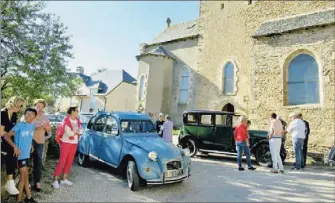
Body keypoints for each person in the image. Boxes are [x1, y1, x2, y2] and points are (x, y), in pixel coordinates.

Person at [3, 108, 38, 203]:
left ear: (34, 116)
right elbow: (6, 136)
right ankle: (19, 200)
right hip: (20, 156)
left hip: (27, 155)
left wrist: (30, 145)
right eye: (26, 114)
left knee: (26, 176)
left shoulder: (32, 126)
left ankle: (29, 197)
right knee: (23, 178)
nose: (28, 116)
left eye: (31, 114)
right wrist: (15, 147)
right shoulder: (19, 125)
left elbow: (28, 137)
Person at [52, 106, 82, 189]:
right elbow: (69, 133)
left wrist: (75, 132)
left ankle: (64, 179)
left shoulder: (77, 120)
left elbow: (81, 131)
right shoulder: (66, 120)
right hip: (66, 142)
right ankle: (55, 180)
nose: (77, 112)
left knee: (69, 161)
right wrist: (76, 132)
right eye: (76, 110)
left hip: (74, 143)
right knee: (62, 161)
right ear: (72, 111)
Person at [1, 96, 25, 195]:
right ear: (14, 103)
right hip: (2, 140)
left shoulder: (14, 114)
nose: (20, 108)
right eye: (20, 105)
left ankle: (10, 182)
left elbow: (12, 131)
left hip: (7, 139)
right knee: (11, 152)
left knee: (15, 152)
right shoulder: (2, 113)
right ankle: (10, 183)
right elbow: (1, 132)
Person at [31, 99, 51, 192]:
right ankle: (25, 181)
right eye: (38, 106)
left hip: (40, 141)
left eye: (42, 107)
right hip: (29, 141)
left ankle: (37, 181)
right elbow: (26, 126)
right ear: (34, 106)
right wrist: (39, 127)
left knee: (38, 161)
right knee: (26, 160)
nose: (39, 108)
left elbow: (49, 129)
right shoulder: (30, 114)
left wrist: (46, 127)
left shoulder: (45, 117)